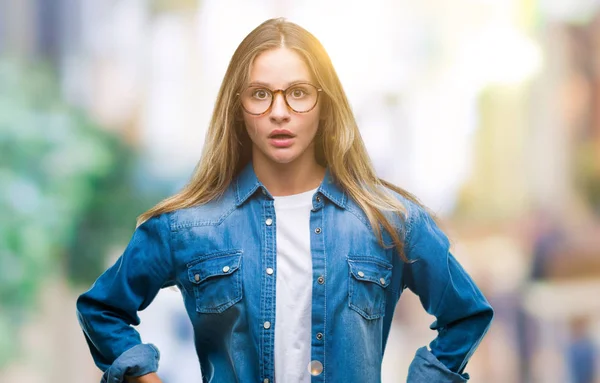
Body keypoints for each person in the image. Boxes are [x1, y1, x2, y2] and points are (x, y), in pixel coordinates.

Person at [76, 17, 494, 383]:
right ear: (238, 106)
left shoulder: (387, 220)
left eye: (298, 92)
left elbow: (465, 314)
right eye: (260, 94)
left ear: (324, 104)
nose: (280, 112)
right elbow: (102, 309)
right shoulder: (189, 227)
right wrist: (141, 376)